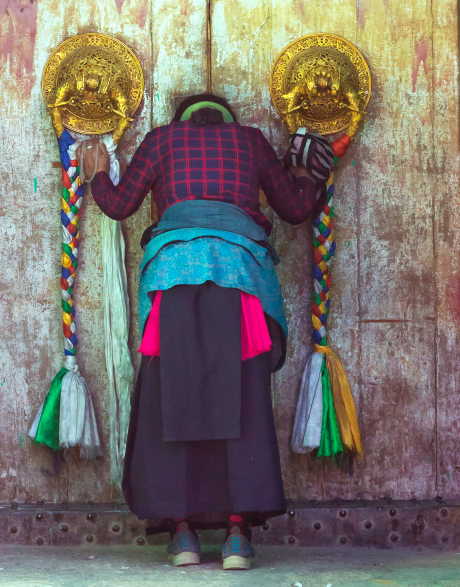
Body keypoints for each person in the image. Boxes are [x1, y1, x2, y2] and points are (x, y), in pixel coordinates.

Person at [78, 94, 334, 570]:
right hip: (240, 280)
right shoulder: (252, 143)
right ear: (227, 126)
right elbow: (297, 210)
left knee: (171, 400)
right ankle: (238, 536)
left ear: (181, 124)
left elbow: (117, 205)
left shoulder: (159, 141)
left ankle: (182, 536)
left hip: (173, 280)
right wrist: (310, 174)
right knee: (243, 402)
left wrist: (96, 172)